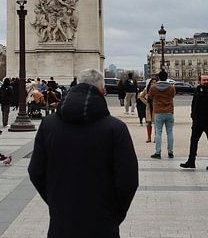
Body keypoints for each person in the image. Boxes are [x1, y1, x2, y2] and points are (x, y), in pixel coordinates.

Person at [28, 68, 138, 238]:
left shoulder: (48, 125)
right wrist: (113, 213)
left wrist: (56, 202)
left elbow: (35, 172)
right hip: (103, 223)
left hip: (61, 222)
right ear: (102, 91)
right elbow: (128, 180)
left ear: (76, 86)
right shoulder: (116, 128)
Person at [180, 74, 208, 170]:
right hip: (197, 122)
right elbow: (194, 103)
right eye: (204, 80)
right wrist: (193, 115)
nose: (206, 81)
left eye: (207, 79)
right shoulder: (197, 90)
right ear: (200, 81)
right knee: (193, 141)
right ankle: (191, 161)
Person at [148, 69, 176, 159]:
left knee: (158, 133)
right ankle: (170, 152)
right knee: (170, 132)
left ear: (159, 77)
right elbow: (173, 95)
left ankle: (158, 152)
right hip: (169, 111)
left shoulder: (153, 87)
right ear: (167, 77)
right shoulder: (171, 87)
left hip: (158, 111)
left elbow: (150, 97)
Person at [139, 75, 155, 142]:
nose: (153, 84)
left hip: (155, 107)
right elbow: (141, 96)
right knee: (148, 123)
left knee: (156, 124)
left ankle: (156, 137)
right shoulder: (147, 89)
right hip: (149, 108)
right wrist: (146, 102)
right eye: (152, 82)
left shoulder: (157, 89)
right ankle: (149, 137)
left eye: (155, 82)